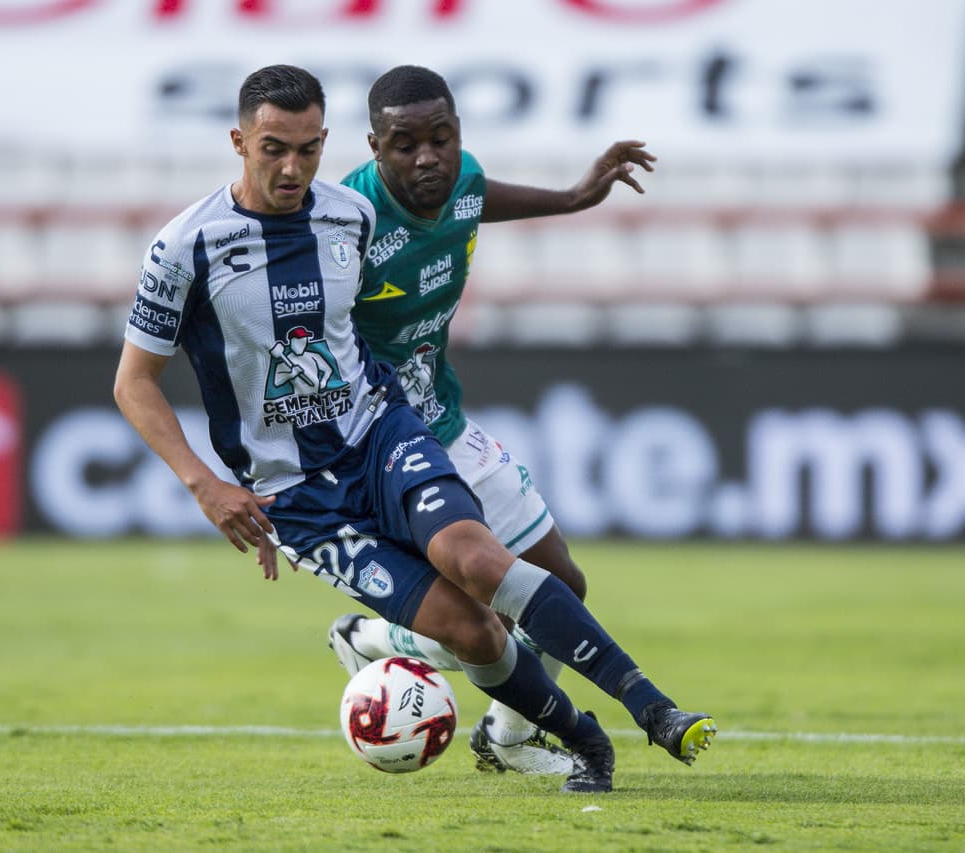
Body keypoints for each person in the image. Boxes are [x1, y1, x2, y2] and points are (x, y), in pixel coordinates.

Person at [114, 64, 715, 795]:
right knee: (474, 633)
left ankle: (651, 707)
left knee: (479, 559)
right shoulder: (184, 248)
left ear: (330, 143)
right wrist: (205, 484)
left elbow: (457, 197)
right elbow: (133, 382)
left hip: (382, 434)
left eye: (307, 148)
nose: (292, 166)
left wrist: (572, 197)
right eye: (273, 147)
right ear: (239, 141)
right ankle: (577, 736)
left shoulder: (348, 215)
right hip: (295, 495)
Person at [317, 65, 674, 777]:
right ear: (374, 146)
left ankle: (498, 728)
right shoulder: (345, 221)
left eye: (441, 138)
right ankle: (388, 639)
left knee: (560, 585)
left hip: (444, 418)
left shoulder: (464, 178)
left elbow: (473, 198)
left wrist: (576, 196)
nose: (428, 158)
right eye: (405, 144)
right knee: (481, 615)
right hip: (382, 444)